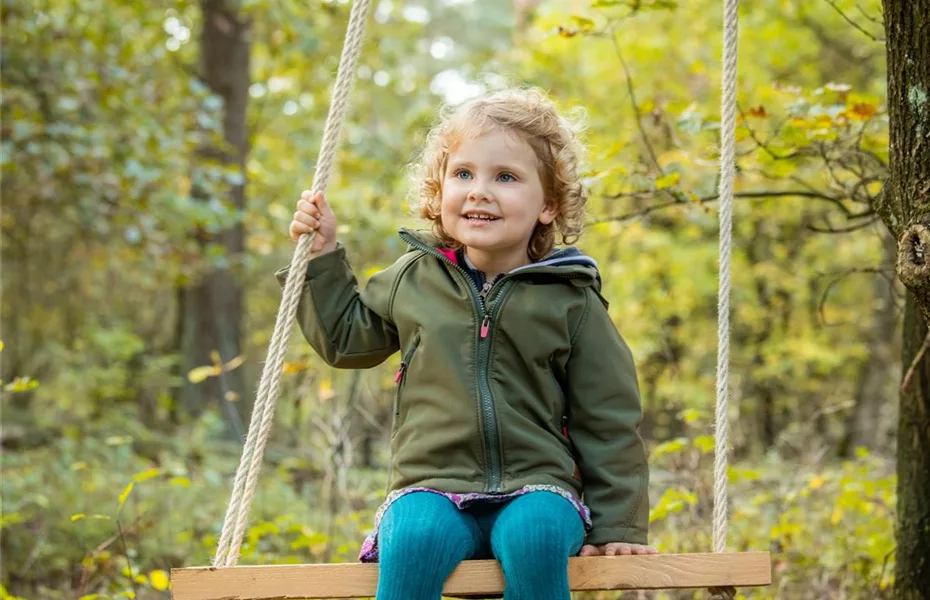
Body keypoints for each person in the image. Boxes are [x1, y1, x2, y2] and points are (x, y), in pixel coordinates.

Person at [279, 87, 655, 600]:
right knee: (413, 539)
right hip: (430, 484)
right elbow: (347, 341)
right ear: (439, 192)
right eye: (463, 174)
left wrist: (620, 527)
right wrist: (322, 257)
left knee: (536, 535)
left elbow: (608, 417)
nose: (480, 191)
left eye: (505, 177)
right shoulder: (414, 278)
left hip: (537, 485)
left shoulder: (571, 298)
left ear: (548, 204)